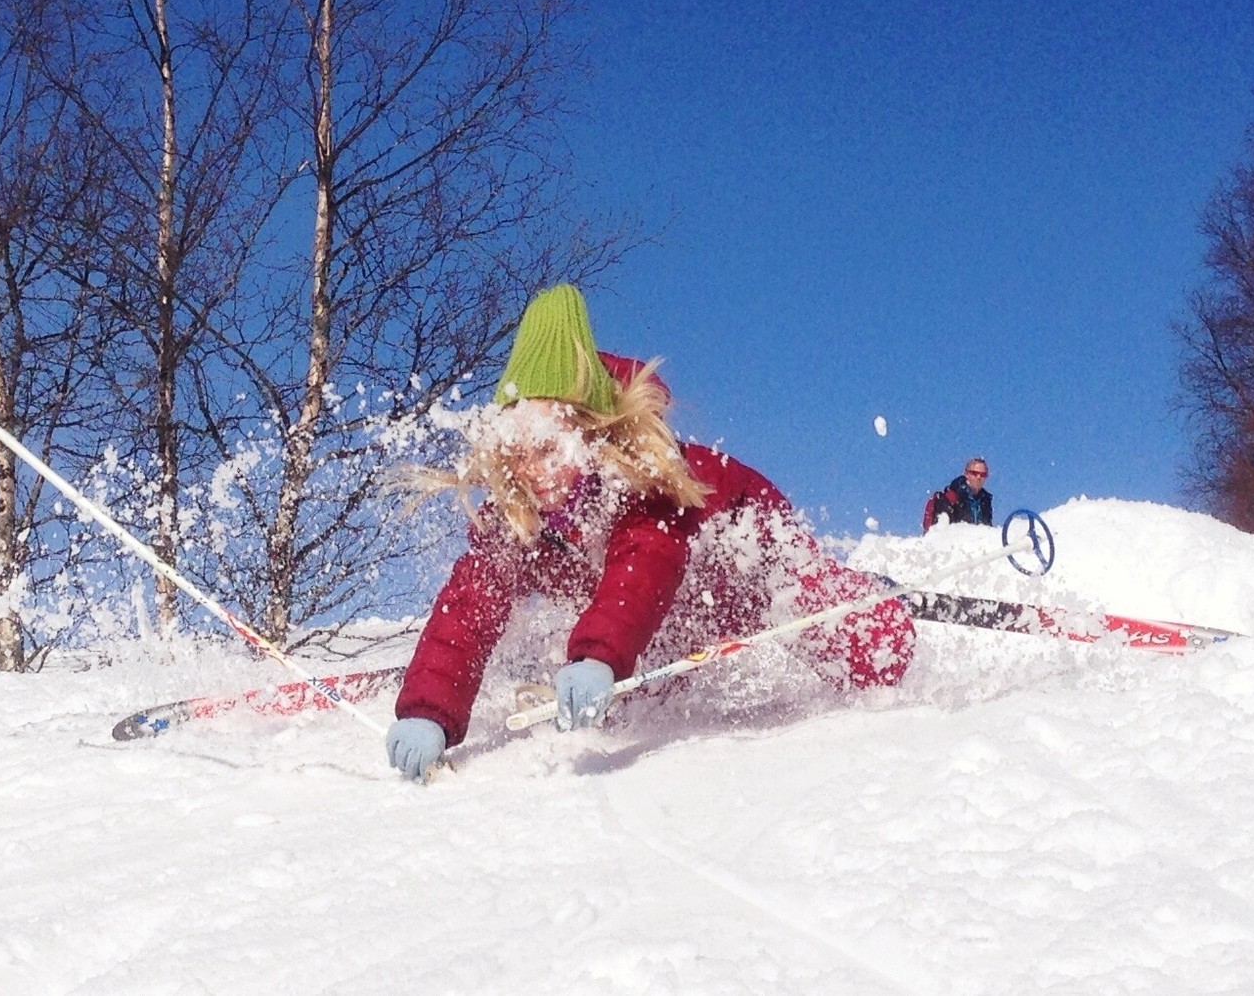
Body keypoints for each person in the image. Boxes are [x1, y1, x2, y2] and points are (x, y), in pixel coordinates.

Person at [385, 283, 916, 779]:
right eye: (517, 454)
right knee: (627, 711)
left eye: (548, 449)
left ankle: (871, 602)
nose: (533, 470)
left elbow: (644, 564)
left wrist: (596, 655)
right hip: (665, 615)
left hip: (745, 557)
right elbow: (468, 608)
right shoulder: (518, 515)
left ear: (588, 431)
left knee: (849, 641)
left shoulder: (641, 478)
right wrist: (428, 712)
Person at [923, 457, 993, 532]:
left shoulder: (985, 501)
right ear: (966, 474)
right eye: (974, 473)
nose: (979, 477)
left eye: (983, 474)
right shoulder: (950, 497)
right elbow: (940, 530)